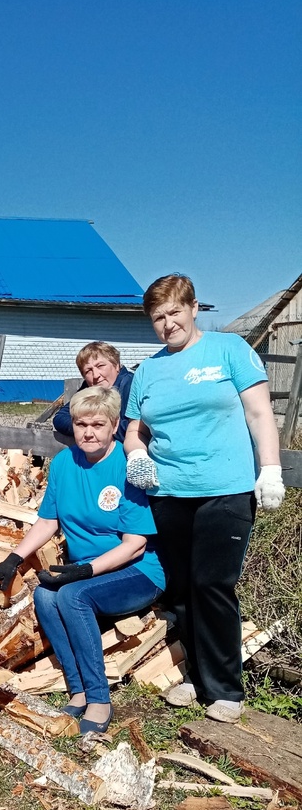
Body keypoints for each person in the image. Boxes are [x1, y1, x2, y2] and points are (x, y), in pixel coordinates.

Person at [124, 273, 285, 724]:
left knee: (213, 585)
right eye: (158, 317)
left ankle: (225, 689)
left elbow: (259, 413)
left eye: (175, 312)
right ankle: (196, 676)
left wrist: (269, 468)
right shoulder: (149, 370)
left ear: (194, 309)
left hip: (225, 489)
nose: (167, 324)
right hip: (169, 492)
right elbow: (134, 428)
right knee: (180, 589)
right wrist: (136, 455)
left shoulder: (229, 350)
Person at [0, 387, 165, 735]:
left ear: (114, 427)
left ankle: (99, 697)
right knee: (43, 595)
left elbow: (136, 545)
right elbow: (48, 521)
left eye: (98, 424)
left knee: (71, 595)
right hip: (86, 572)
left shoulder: (126, 465)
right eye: (81, 424)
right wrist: (13, 559)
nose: (88, 432)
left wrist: (86, 570)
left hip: (137, 571)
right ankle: (77, 688)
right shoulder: (65, 462)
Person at [53, 341, 134, 442]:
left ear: (116, 366)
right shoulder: (90, 387)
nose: (95, 375)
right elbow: (60, 418)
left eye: (100, 366)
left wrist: (97, 428)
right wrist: (84, 427)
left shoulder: (131, 385)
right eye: (88, 371)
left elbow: (132, 429)